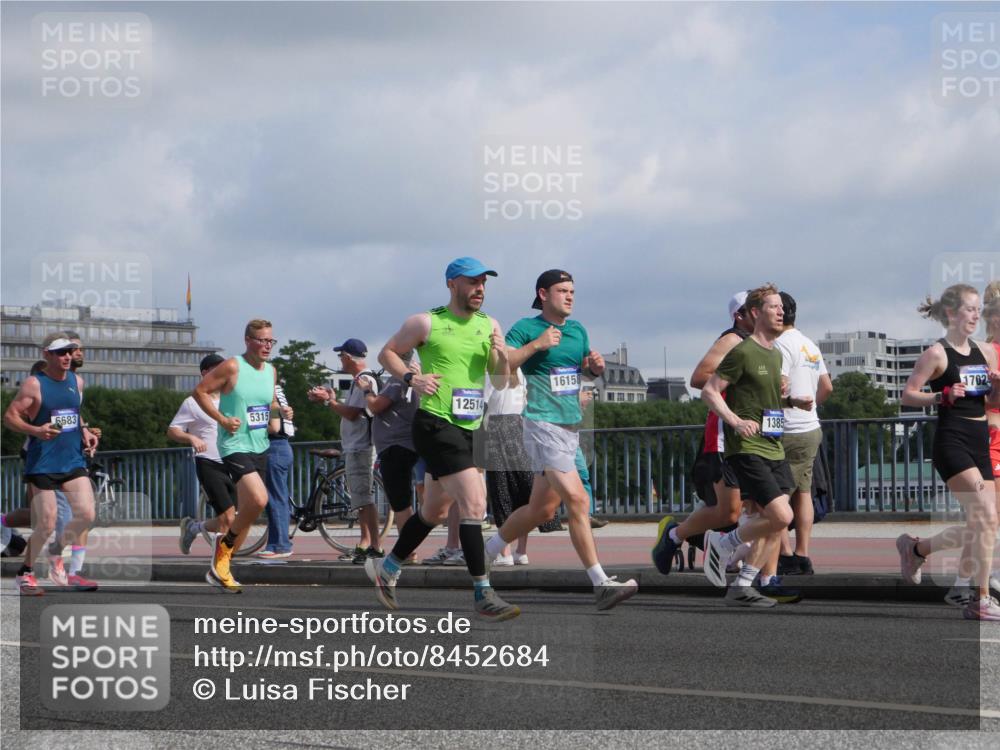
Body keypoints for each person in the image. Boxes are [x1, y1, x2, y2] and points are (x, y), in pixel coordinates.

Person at [366, 256, 519, 621]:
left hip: (470, 426)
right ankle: (482, 591)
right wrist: (410, 378)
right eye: (472, 282)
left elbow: (500, 381)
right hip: (435, 423)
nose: (480, 288)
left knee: (434, 511)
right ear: (452, 284)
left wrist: (501, 355)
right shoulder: (427, 322)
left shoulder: (490, 325)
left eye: (484, 282)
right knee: (475, 503)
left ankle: (385, 570)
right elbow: (387, 353)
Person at [485, 269, 638, 611]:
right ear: (543, 294)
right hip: (541, 423)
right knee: (578, 500)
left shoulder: (578, 330)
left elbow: (578, 370)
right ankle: (601, 583)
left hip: (570, 426)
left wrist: (595, 367)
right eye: (562, 290)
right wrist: (537, 345)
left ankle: (485, 553)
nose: (569, 296)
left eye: (572, 291)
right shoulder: (527, 327)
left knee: (541, 509)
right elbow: (504, 363)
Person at [699, 284, 814, 607]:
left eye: (782, 307)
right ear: (755, 313)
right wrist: (735, 421)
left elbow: (765, 399)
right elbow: (709, 391)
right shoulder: (743, 351)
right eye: (774, 307)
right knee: (781, 514)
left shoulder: (774, 353)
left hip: (773, 445)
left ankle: (743, 584)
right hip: (748, 448)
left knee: (779, 522)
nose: (781, 312)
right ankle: (725, 543)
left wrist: (791, 401)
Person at [896, 284, 1000, 620]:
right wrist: (941, 396)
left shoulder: (985, 352)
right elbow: (908, 395)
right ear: (952, 314)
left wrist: (997, 384)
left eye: (977, 310)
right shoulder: (937, 354)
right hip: (951, 440)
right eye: (968, 310)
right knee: (985, 513)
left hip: (979, 438)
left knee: (984, 522)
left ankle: (915, 549)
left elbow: (992, 402)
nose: (974, 316)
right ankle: (981, 599)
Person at [653, 291, 753, 574]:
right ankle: (676, 534)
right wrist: (739, 382)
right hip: (725, 433)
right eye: (753, 308)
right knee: (729, 511)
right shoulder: (732, 339)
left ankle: (753, 565)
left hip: (753, 434)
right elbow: (698, 378)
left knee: (755, 507)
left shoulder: (762, 344)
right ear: (740, 315)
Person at [193, 319, 288, 593]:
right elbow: (199, 391)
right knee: (260, 498)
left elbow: (269, 401)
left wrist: (275, 419)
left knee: (249, 511)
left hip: (260, 445)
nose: (267, 346)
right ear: (248, 340)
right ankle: (223, 549)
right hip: (234, 445)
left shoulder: (271, 371)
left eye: (271, 341)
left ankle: (220, 568)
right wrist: (222, 419)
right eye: (261, 340)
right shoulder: (233, 366)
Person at [3, 334, 99, 595]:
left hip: (72, 460)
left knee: (87, 515)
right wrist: (35, 430)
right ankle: (25, 573)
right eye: (60, 352)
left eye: (70, 351)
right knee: (45, 523)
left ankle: (55, 553)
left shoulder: (77, 382)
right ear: (47, 354)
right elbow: (10, 417)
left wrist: (85, 432)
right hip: (43, 463)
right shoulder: (34, 384)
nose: (67, 356)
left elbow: (73, 415)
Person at [774, 292, 833, 575]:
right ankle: (803, 552)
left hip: (788, 428)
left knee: (779, 494)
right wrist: (811, 406)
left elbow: (779, 386)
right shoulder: (809, 344)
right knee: (804, 492)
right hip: (811, 427)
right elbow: (827, 387)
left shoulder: (780, 345)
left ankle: (786, 555)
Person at [308, 338, 381, 564]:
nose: (340, 360)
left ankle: (375, 546)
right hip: (358, 445)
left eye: (341, 356)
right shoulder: (360, 379)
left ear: (348, 357)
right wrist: (330, 398)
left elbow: (353, 413)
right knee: (359, 498)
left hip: (361, 446)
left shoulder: (364, 380)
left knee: (364, 498)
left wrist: (329, 401)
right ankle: (365, 543)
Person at [171, 354, 235, 555]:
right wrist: (191, 439)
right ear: (205, 373)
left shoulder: (232, 399)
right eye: (217, 369)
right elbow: (173, 430)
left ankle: (193, 528)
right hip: (208, 462)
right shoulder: (192, 402)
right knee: (227, 518)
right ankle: (222, 565)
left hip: (234, 461)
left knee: (236, 517)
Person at [368, 351, 421, 564]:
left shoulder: (397, 379)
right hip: (408, 444)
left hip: (394, 445)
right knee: (405, 501)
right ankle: (408, 549)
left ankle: (407, 551)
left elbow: (375, 406)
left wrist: (366, 391)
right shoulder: (417, 377)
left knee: (400, 503)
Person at [483, 368, 533, 566]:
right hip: (519, 427)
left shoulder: (492, 372)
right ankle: (522, 550)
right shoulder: (521, 372)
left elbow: (484, 404)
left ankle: (505, 552)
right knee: (522, 492)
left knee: (501, 492)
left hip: (496, 427)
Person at [259, 379, 296, 558]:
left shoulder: (266, 392)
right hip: (283, 447)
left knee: (275, 498)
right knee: (278, 496)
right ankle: (277, 543)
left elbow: (273, 427)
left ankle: (279, 545)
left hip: (274, 447)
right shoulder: (277, 390)